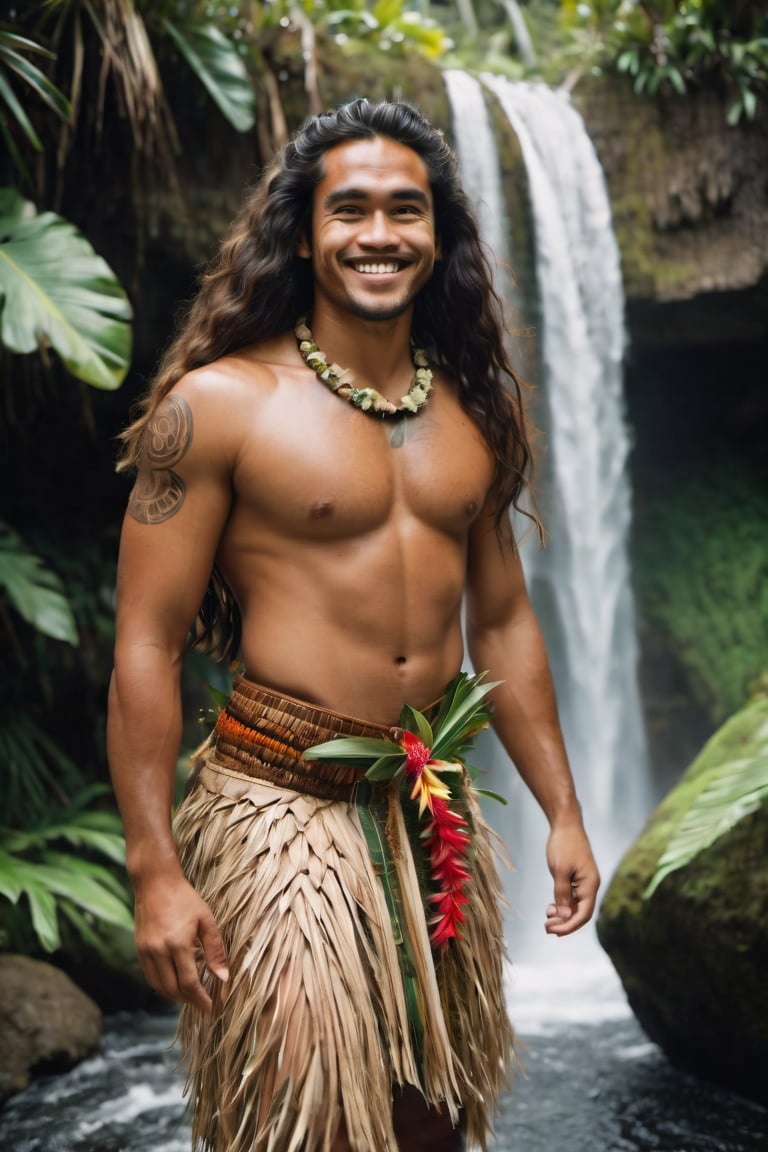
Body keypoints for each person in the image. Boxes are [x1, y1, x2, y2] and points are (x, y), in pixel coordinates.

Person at [107, 98, 600, 1152]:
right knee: (305, 1125)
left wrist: (561, 809)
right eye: (352, 210)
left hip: (433, 805)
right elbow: (145, 643)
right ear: (303, 230)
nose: (380, 234)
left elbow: (504, 620)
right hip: (279, 810)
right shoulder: (216, 406)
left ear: (439, 234)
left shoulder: (473, 410)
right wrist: (154, 869)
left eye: (406, 211)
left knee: (430, 1124)